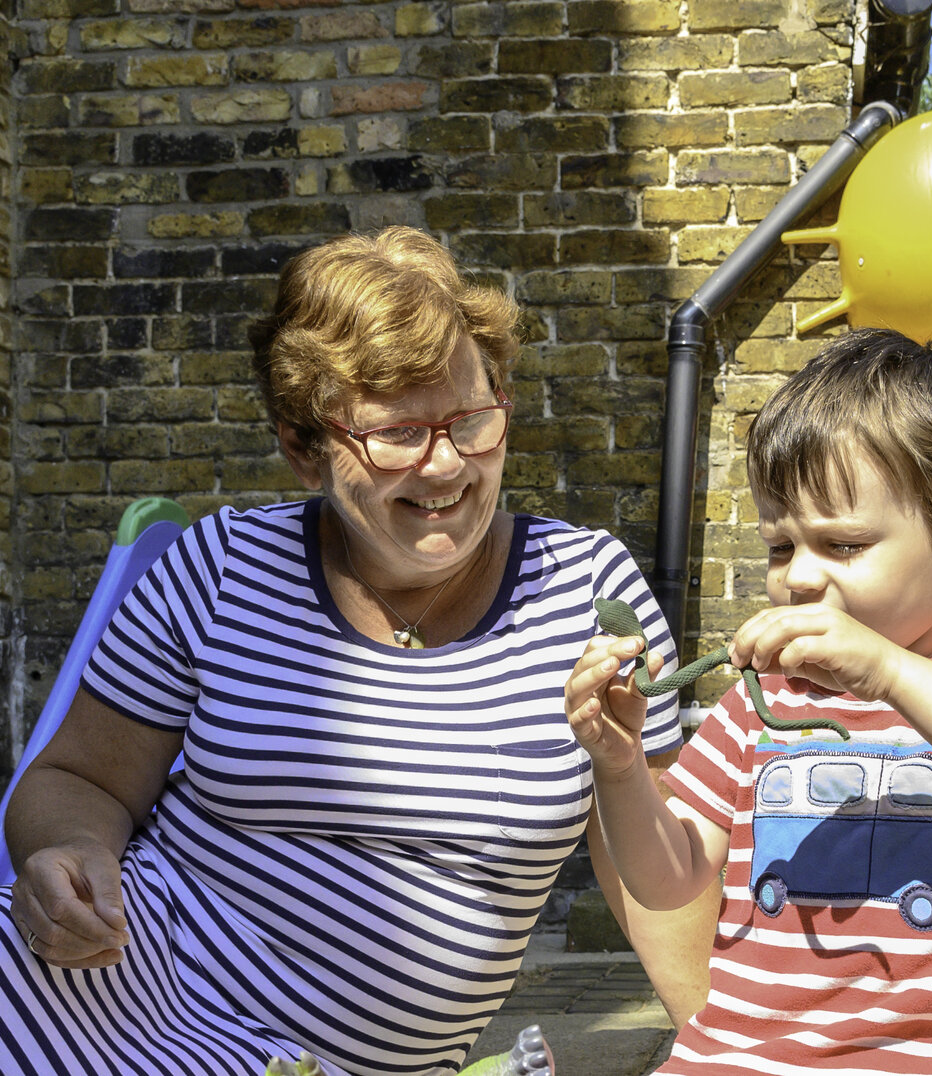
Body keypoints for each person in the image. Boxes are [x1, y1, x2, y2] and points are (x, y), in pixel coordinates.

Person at [0, 226, 698, 1076]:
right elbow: (77, 779)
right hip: (106, 983)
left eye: (472, 419)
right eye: (400, 434)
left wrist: (732, 1043)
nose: (447, 466)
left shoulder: (586, 594)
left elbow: (653, 866)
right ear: (305, 449)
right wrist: (65, 856)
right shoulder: (221, 568)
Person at [566, 327, 932, 1075]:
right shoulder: (764, 698)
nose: (798, 577)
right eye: (780, 546)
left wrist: (889, 673)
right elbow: (667, 880)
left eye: (844, 545)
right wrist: (621, 765)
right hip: (742, 1058)